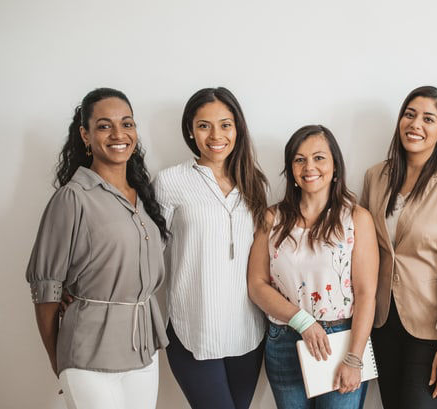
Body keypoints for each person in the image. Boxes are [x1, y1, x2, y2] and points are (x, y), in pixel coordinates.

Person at [26, 87, 169, 409]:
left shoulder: (143, 197)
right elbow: (46, 289)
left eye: (127, 123)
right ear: (85, 135)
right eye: (104, 125)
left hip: (143, 350)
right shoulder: (73, 198)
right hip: (88, 355)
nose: (119, 134)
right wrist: (58, 360)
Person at [360, 85, 437, 409]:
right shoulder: (376, 176)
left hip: (433, 327)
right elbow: (365, 249)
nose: (415, 124)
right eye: (410, 115)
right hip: (384, 320)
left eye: (428, 119)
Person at [247, 125, 378, 409]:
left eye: (319, 158)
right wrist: (302, 321)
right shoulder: (272, 218)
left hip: (342, 341)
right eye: (299, 159)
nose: (309, 167)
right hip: (284, 342)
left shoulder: (357, 218)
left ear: (335, 167)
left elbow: (367, 293)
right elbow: (257, 285)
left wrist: (354, 359)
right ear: (291, 168)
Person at [153, 87, 269, 409]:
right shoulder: (169, 182)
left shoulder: (255, 184)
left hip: (247, 332)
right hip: (193, 331)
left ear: (238, 128)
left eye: (225, 124)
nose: (216, 135)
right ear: (190, 130)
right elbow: (147, 254)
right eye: (204, 125)